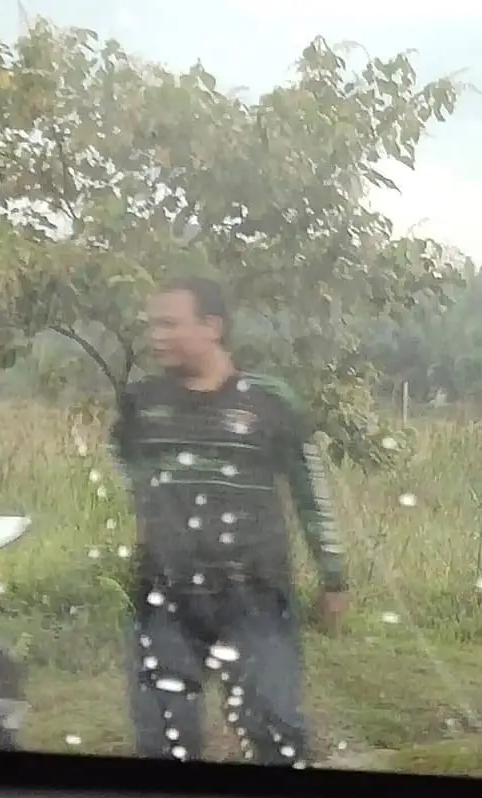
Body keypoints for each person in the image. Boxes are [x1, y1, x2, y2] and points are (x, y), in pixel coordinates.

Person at [109, 275, 349, 765]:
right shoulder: (142, 403)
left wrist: (333, 574)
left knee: (275, 731)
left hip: (255, 595)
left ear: (212, 326)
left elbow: (309, 491)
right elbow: (127, 472)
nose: (157, 336)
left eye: (170, 324)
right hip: (165, 598)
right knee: (161, 738)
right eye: (152, 324)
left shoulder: (269, 401)